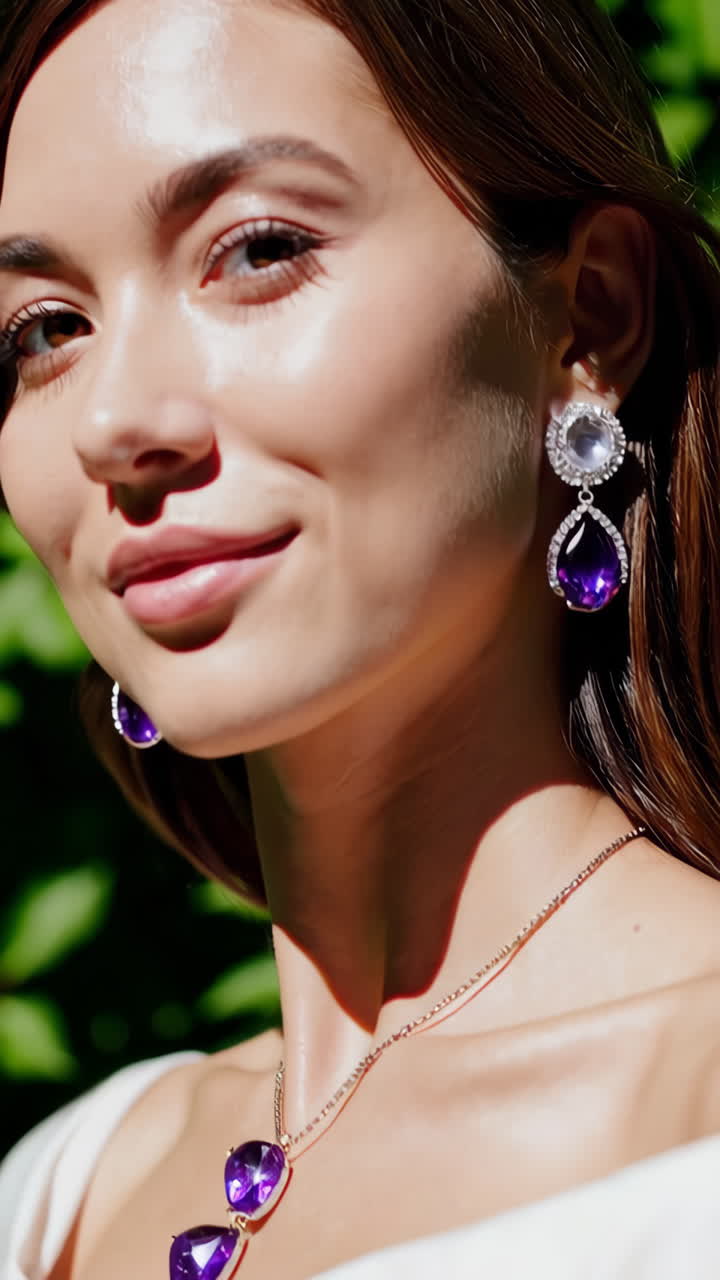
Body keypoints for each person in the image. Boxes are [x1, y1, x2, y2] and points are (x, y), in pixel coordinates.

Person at [2, 0, 720, 1276]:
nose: (112, 421)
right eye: (46, 330)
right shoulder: (63, 1184)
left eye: (257, 249)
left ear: (592, 319)